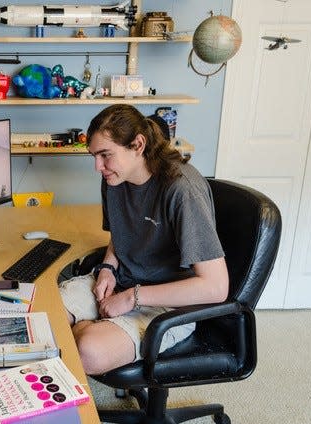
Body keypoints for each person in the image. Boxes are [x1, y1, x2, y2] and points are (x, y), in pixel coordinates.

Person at [59, 104, 229, 375]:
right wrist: (107, 268)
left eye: (105, 155)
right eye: (94, 156)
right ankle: (90, 328)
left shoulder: (181, 189)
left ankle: (87, 329)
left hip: (168, 304)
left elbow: (216, 287)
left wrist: (131, 298)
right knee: (44, 317)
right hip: (122, 284)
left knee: (86, 351)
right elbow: (122, 231)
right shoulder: (114, 177)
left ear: (138, 145)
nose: (97, 166)